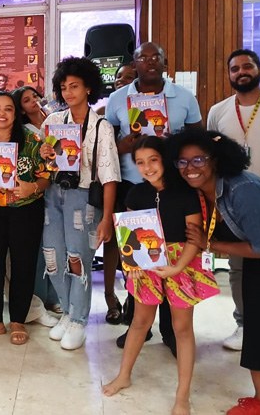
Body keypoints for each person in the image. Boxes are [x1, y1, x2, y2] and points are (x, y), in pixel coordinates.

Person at [102, 136, 219, 415]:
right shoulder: (135, 194)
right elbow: (129, 233)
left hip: (182, 263)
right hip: (147, 266)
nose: (147, 167)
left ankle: (182, 396)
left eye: (153, 160)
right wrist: (135, 264)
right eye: (140, 163)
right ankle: (124, 375)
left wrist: (178, 267)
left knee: (182, 328)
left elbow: (194, 237)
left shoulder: (187, 193)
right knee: (140, 322)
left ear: (164, 159)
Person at [106, 42, 203, 346]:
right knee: (137, 256)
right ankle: (139, 321)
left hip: (173, 189)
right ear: (133, 64)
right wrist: (126, 145)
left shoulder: (184, 97)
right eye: (142, 58)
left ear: (165, 62)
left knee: (172, 253)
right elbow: (106, 143)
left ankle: (172, 330)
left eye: (155, 58)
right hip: (132, 189)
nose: (149, 62)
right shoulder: (117, 99)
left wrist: (173, 143)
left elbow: (197, 141)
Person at [165, 130, 260, 415]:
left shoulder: (242, 189)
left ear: (216, 160)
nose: (190, 168)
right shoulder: (199, 192)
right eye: (182, 162)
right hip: (255, 266)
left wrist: (211, 244)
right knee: (257, 331)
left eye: (198, 160)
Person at [40, 56, 120, 350]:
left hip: (84, 198)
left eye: (75, 86)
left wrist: (107, 217)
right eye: (63, 87)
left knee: (78, 258)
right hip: (53, 194)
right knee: (54, 257)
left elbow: (110, 176)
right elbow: (41, 162)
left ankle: (79, 320)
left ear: (88, 88)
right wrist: (45, 155)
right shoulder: (52, 122)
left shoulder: (101, 127)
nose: (68, 92)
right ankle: (67, 309)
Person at [0, 91, 51, 343]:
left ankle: (17, 321)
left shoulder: (32, 139)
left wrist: (32, 187)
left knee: (23, 265)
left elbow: (46, 176)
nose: (1, 114)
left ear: (16, 113)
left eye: (8, 109)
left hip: (27, 210)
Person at [207, 48, 260, 352]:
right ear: (229, 75)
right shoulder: (219, 111)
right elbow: (211, 159)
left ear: (259, 70)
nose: (241, 72)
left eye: (247, 66)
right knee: (239, 268)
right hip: (235, 202)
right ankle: (244, 324)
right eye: (235, 68)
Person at [14, 85, 61, 314]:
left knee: (56, 244)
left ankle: (57, 294)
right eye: (26, 100)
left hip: (61, 186)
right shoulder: (24, 131)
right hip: (37, 189)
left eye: (34, 96)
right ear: (20, 109)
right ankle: (40, 299)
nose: (33, 101)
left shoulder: (58, 118)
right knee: (40, 246)